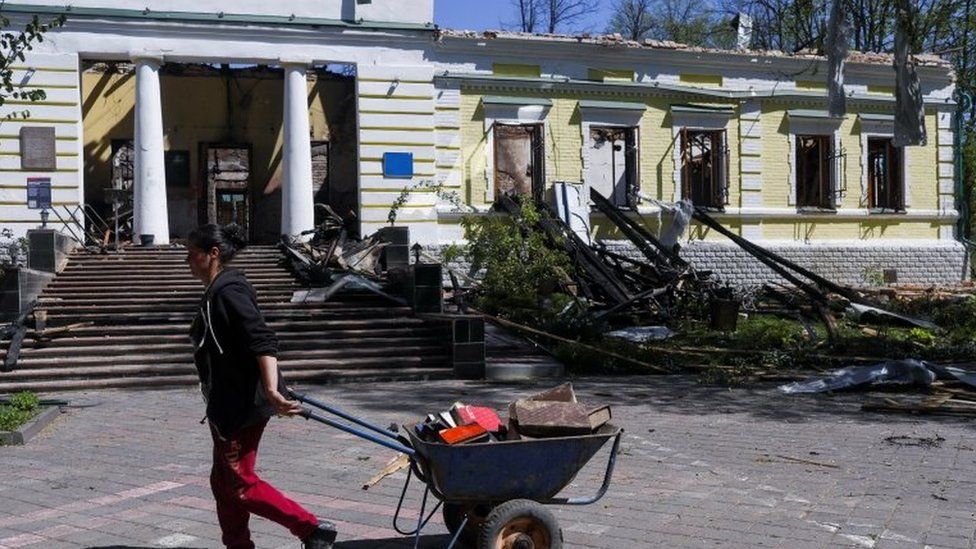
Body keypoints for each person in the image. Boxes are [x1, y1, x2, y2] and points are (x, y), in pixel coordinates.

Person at [186, 223, 337, 549]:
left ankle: (312, 529)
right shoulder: (217, 289)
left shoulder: (229, 291)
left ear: (213, 254)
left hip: (242, 404)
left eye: (193, 254)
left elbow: (263, 339)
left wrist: (272, 390)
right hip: (225, 404)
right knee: (223, 483)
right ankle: (238, 545)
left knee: (239, 484)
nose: (188, 260)